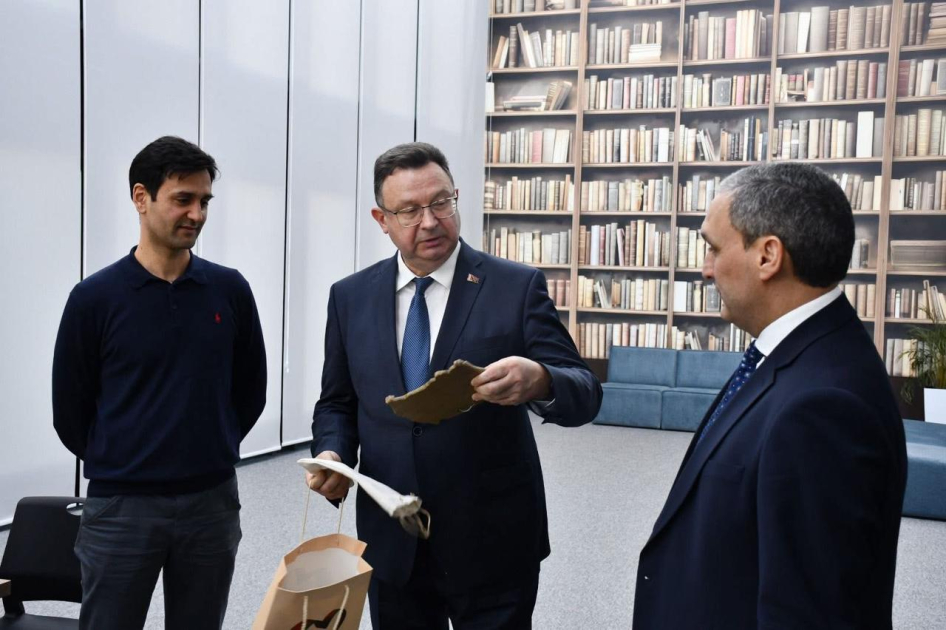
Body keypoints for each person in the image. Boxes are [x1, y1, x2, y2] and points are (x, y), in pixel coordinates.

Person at [306, 141, 601, 629]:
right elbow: (337, 402)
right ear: (382, 220)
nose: (430, 221)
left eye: (441, 202)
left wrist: (541, 380)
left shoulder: (515, 286)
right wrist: (332, 453)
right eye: (409, 210)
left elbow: (585, 392)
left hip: (492, 538)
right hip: (392, 540)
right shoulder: (349, 297)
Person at [633, 162, 907, 629]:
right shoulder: (801, 354)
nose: (705, 270)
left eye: (713, 249)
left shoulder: (824, 408)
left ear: (768, 256)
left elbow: (808, 614)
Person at [52, 136, 267, 630]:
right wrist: (124, 458)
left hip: (211, 502)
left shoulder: (229, 290)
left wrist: (211, 446)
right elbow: (70, 409)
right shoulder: (94, 298)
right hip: (121, 507)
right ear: (141, 197)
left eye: (205, 201)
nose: (197, 214)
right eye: (183, 199)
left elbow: (250, 390)